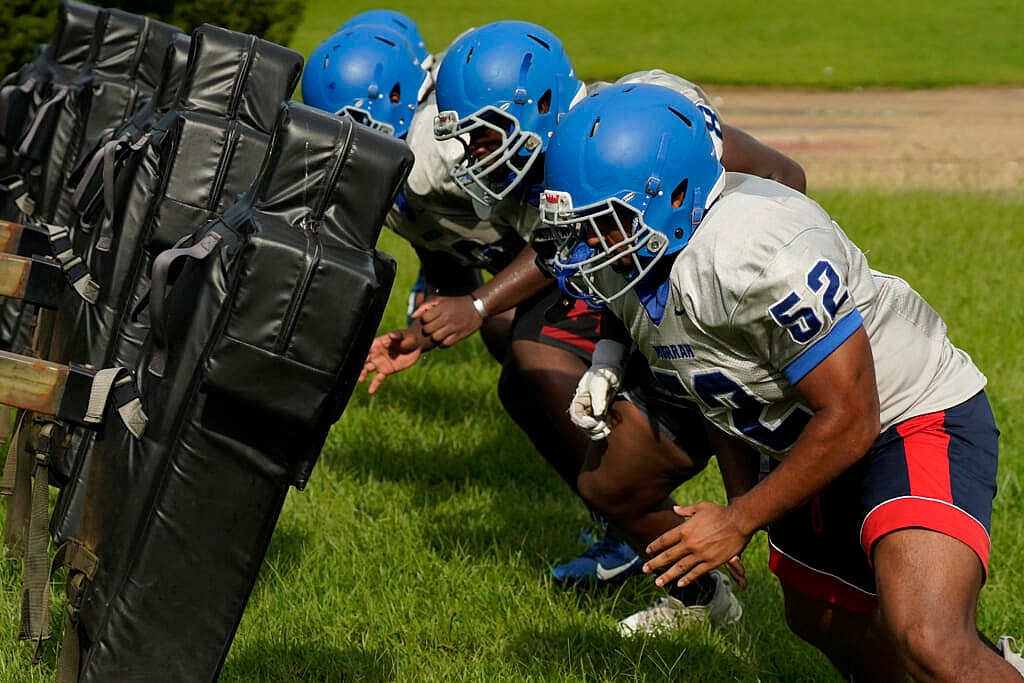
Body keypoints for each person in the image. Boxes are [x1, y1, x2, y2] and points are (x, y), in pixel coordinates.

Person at [539, 81, 1023, 678]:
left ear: (675, 196)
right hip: (802, 437)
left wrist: (741, 520)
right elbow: (718, 394)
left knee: (926, 636)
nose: (585, 247)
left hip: (907, 416)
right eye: (578, 227)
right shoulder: (643, 274)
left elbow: (851, 413)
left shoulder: (756, 251)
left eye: (604, 225)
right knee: (825, 623)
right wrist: (744, 502)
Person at [360, 19, 808, 611]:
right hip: (656, 323)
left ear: (537, 103)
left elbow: (784, 176)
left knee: (530, 349)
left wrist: (767, 276)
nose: (475, 156)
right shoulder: (541, 163)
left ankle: (745, 540)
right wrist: (608, 357)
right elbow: (584, 260)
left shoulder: (638, 122)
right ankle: (693, 586)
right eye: (468, 142)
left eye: (485, 136)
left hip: (730, 323)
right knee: (605, 478)